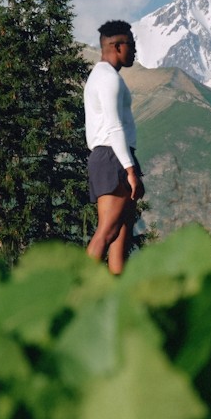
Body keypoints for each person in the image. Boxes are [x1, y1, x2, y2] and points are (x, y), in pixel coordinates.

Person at [85, 20, 144, 274]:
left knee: (121, 233)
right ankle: (78, 293)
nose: (134, 51)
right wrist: (130, 170)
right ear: (117, 46)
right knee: (107, 231)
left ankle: (116, 298)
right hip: (113, 157)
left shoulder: (101, 76)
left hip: (113, 156)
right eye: (131, 45)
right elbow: (113, 126)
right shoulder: (109, 79)